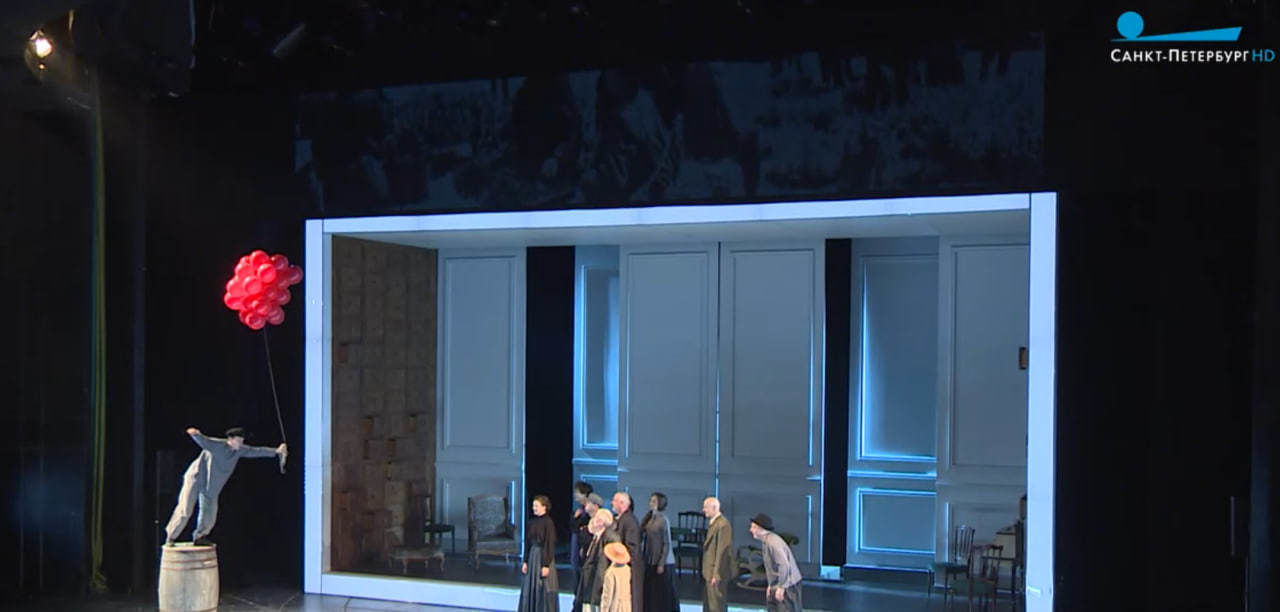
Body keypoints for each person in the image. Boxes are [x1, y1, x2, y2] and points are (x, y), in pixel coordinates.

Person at [164, 427, 286, 546]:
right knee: (186, 508)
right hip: (195, 478)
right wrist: (195, 434)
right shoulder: (218, 445)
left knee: (210, 511)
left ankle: (200, 536)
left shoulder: (240, 450)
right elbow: (205, 441)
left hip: (212, 484)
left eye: (242, 441)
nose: (240, 444)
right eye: (238, 441)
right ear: (230, 439)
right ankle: (171, 536)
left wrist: (277, 451)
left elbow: (256, 451)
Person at [749, 514, 803, 611]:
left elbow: (784, 565)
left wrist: (782, 587)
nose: (750, 530)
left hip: (788, 585)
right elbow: (772, 567)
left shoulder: (773, 542)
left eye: (753, 527)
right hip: (779, 584)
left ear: (760, 529)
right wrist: (771, 585)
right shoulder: (767, 541)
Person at [519, 495, 560, 612]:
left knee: (543, 587)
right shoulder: (532, 522)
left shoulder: (548, 523)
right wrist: (525, 561)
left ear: (544, 507)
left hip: (543, 557)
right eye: (533, 506)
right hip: (533, 556)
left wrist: (546, 565)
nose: (534, 508)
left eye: (536, 506)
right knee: (529, 587)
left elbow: (549, 544)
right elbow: (527, 542)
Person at [640, 492, 678, 611]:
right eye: (651, 501)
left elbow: (666, 543)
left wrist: (661, 563)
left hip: (663, 562)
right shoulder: (650, 518)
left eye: (654, 501)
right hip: (651, 559)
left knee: (662, 594)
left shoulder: (663, 520)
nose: (650, 503)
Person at [581, 509, 620, 612]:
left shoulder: (610, 537)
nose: (593, 521)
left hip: (600, 581)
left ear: (602, 522)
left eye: (597, 519)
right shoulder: (596, 536)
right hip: (591, 581)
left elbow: (612, 560)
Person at [611, 492, 644, 612]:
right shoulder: (623, 519)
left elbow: (632, 547)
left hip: (630, 568)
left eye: (615, 500)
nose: (612, 503)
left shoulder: (629, 521)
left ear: (623, 503)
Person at [700, 497, 733, 612]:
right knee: (709, 605)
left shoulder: (723, 525)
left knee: (716, 606)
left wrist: (717, 574)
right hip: (709, 572)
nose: (703, 510)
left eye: (706, 507)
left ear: (714, 508)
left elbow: (722, 552)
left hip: (715, 574)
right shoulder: (714, 523)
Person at [600, 542, 634, 612]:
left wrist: (604, 609)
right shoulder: (627, 569)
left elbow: (607, 596)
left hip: (615, 607)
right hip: (626, 606)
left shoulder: (610, 573)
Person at [570, 481, 595, 568]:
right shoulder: (579, 510)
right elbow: (573, 527)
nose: (575, 495)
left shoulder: (591, 512)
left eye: (577, 493)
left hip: (584, 545)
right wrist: (575, 518)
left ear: (585, 494)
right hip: (577, 543)